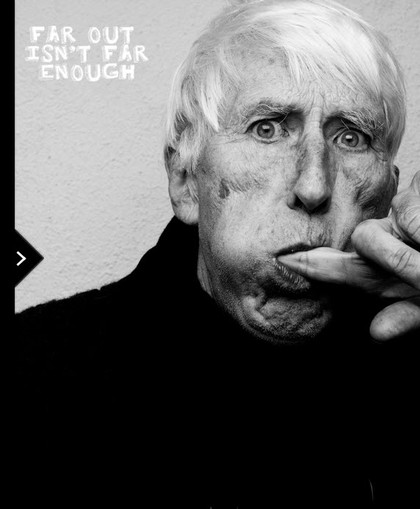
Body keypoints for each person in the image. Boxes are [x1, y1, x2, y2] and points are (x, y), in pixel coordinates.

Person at [15, 0, 419, 506]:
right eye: (267, 128)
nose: (314, 186)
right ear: (185, 179)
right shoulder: (32, 377)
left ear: (387, 193)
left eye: (351, 137)